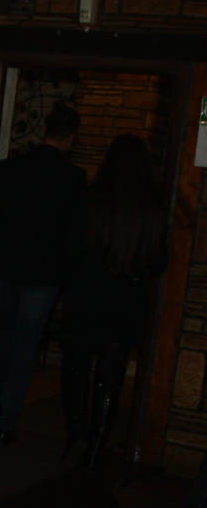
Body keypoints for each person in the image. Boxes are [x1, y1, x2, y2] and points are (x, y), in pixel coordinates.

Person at [60, 134, 168, 471]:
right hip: (126, 301)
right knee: (110, 376)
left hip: (86, 296)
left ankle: (76, 435)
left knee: (76, 368)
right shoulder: (152, 209)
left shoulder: (91, 199)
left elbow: (71, 247)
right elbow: (159, 262)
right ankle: (96, 445)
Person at [0, 102, 87, 444]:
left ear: (45, 129)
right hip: (44, 272)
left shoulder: (10, 168)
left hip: (8, 264)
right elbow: (74, 235)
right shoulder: (73, 179)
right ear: (70, 139)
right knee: (25, 344)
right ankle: (7, 418)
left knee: (4, 336)